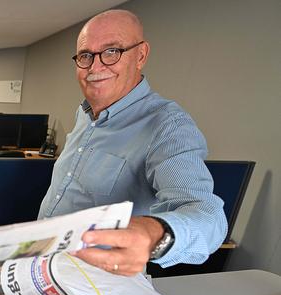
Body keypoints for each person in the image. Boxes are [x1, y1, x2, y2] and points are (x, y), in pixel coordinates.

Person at [38, 10, 227, 276]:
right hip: (43, 265)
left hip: (94, 282)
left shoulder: (167, 125)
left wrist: (153, 234)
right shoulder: (83, 113)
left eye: (112, 51)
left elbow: (208, 217)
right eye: (85, 55)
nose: (94, 67)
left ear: (141, 55)